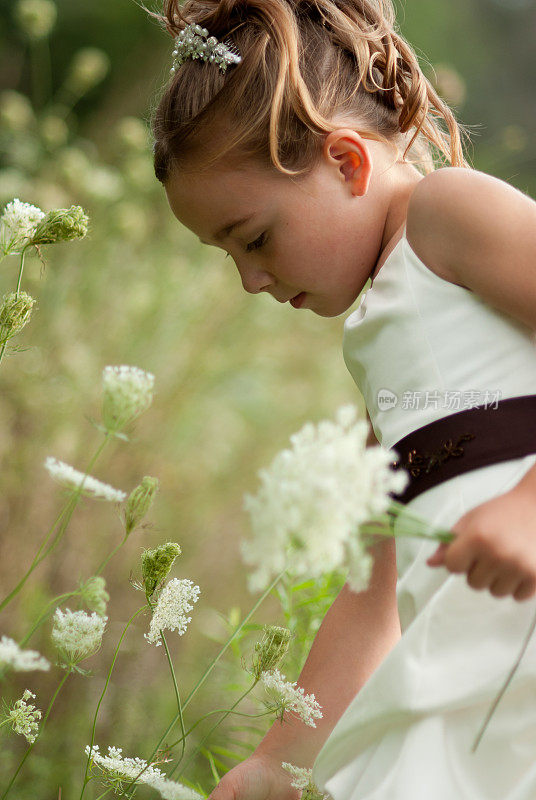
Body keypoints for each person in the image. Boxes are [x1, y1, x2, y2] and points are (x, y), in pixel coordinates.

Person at [149, 1, 536, 797]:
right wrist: (278, 762)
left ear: (348, 163)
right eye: (227, 255)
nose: (251, 279)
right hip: (477, 673)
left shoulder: (448, 214)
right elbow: (372, 586)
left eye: (253, 238)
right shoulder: (382, 341)